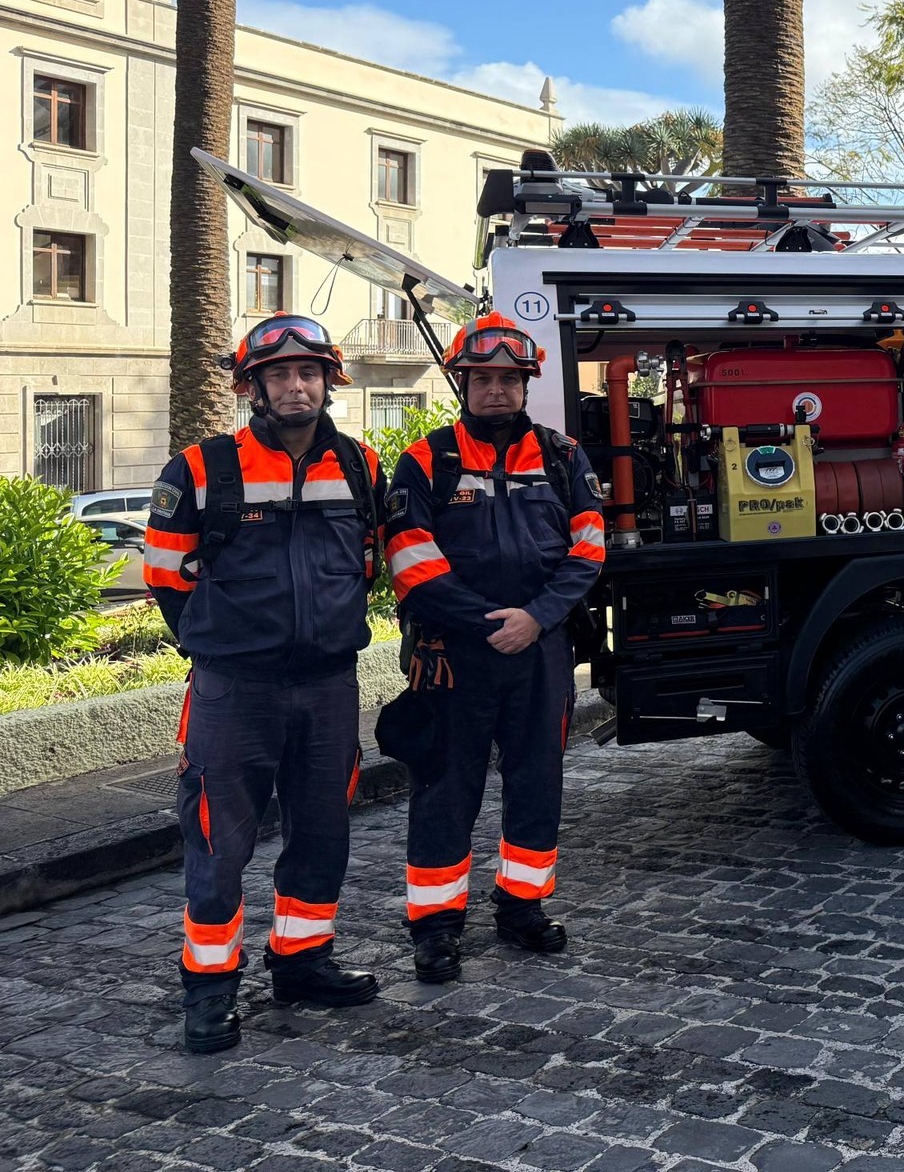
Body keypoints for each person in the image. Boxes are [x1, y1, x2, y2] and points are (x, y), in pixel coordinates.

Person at [142, 315, 385, 1054]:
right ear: (251, 387)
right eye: (278, 374)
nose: (295, 385)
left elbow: (369, 561)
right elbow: (164, 576)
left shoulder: (360, 465)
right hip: (234, 690)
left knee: (323, 832)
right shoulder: (201, 467)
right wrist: (226, 642)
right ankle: (209, 992)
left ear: (329, 382)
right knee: (218, 844)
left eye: (308, 372)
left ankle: (302, 961)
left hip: (327, 685)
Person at [384, 314, 608, 981]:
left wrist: (536, 618)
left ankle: (523, 906)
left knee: (537, 782)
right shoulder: (427, 459)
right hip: (456, 654)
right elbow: (409, 558)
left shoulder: (563, 456)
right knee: (446, 789)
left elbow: (589, 547)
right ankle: (435, 925)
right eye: (483, 380)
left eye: (509, 380)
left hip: (539, 651)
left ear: (526, 384)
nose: (497, 392)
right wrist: (490, 623)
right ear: (462, 383)